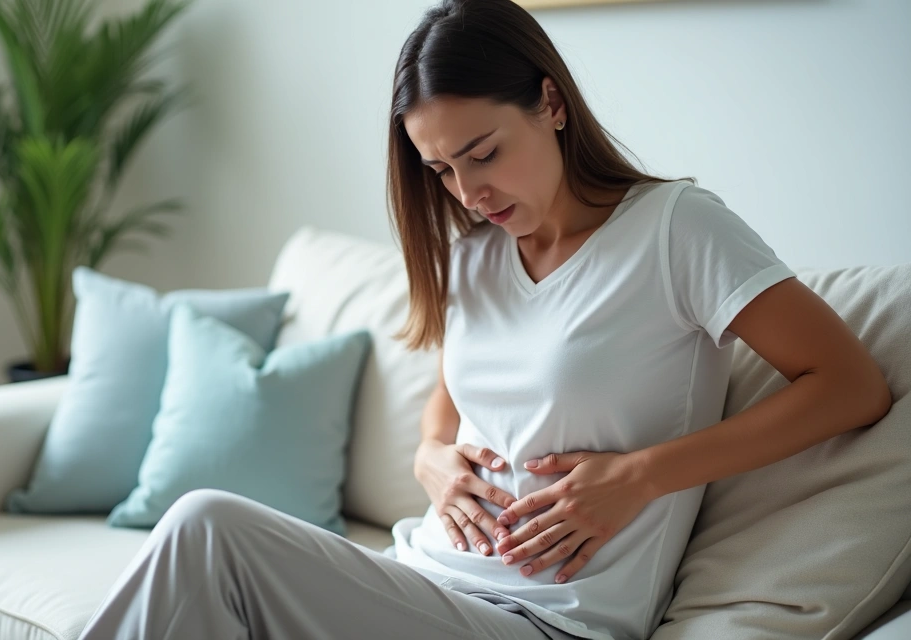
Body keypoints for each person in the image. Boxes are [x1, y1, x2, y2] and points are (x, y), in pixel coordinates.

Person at [78, 1, 891, 638]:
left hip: (546, 618)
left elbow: (850, 386)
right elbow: (448, 411)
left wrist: (643, 475)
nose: (468, 193)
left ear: (551, 103)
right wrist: (433, 459)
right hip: (421, 576)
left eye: (483, 153)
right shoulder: (475, 256)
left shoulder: (675, 228)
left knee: (207, 527)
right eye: (440, 170)